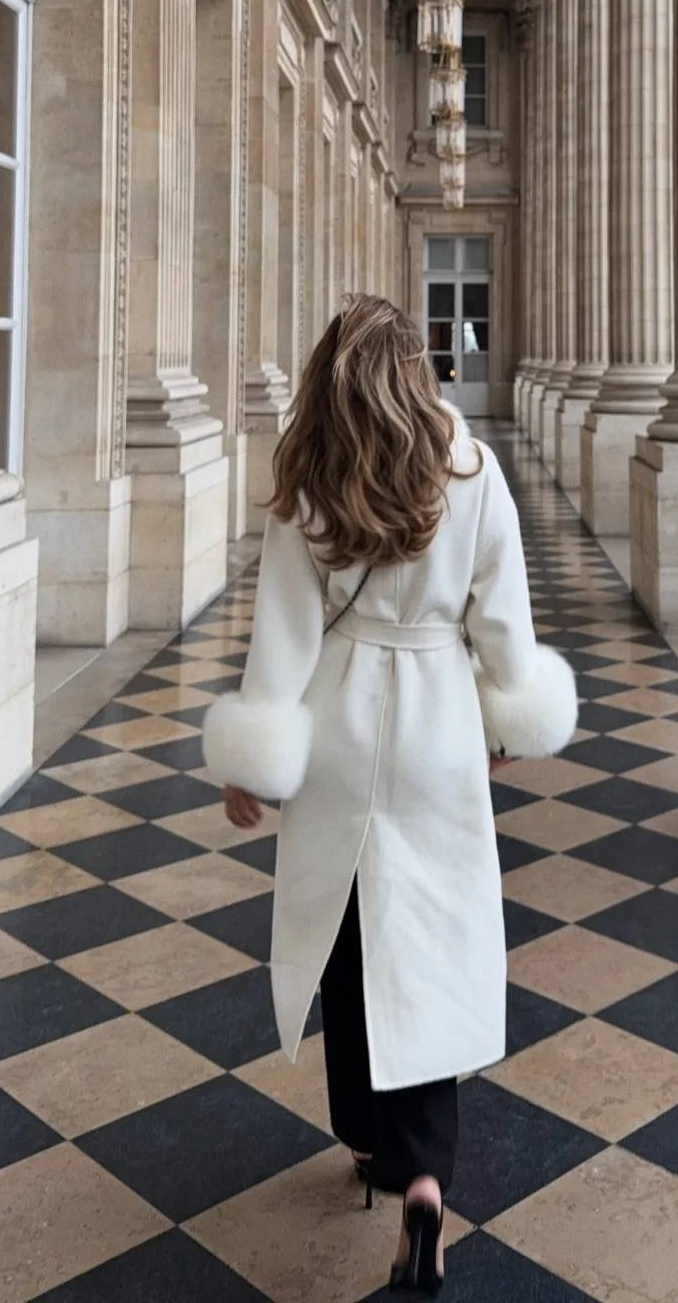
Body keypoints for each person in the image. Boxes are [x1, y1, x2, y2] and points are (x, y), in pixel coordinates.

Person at [203, 295, 578, 1295]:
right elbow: (505, 628)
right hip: (437, 727)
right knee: (433, 944)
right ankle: (424, 1183)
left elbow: (281, 639)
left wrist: (252, 759)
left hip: (337, 725)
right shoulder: (474, 471)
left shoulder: (311, 479)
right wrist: (504, 723)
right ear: (422, 370)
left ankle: (367, 1139)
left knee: (347, 934)